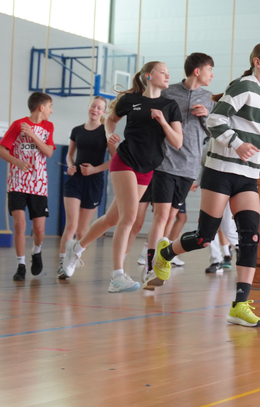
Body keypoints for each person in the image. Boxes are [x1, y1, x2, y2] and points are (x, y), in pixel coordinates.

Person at [155, 43, 260, 326]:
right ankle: (165, 253)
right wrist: (237, 145)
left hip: (247, 176)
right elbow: (215, 119)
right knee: (204, 237)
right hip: (221, 170)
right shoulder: (244, 86)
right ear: (257, 61)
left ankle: (239, 305)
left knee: (250, 237)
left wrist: (259, 158)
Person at [62, 62, 183, 293]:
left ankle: (76, 249)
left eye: (169, 72)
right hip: (125, 161)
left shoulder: (170, 105)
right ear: (148, 75)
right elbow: (110, 120)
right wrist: (110, 135)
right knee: (128, 217)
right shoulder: (131, 101)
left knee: (111, 218)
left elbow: (178, 142)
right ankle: (117, 276)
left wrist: (163, 121)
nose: (167, 75)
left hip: (147, 169)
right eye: (162, 71)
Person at [139, 52, 215, 289]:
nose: (212, 75)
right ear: (197, 71)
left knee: (172, 217)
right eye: (209, 69)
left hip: (189, 166)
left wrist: (208, 116)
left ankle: (157, 256)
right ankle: (150, 266)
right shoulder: (168, 92)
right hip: (165, 162)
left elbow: (213, 133)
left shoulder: (209, 99)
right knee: (161, 216)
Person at [0, 92, 55, 282]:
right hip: (18, 183)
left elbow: (48, 152)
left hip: (38, 184)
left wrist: (32, 135)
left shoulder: (48, 127)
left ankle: (36, 251)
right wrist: (16, 162)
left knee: (39, 230)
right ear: (41, 107)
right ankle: (20, 265)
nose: (51, 111)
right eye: (50, 107)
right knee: (19, 225)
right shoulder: (17, 125)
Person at [57, 96, 111, 279]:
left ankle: (73, 257)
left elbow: (115, 160)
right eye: (93, 106)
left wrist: (95, 169)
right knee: (71, 224)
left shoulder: (106, 132)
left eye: (99, 108)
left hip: (94, 182)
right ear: (88, 107)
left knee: (82, 229)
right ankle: (62, 262)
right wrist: (70, 166)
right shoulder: (77, 130)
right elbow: (70, 155)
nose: (95, 110)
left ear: (103, 112)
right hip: (75, 180)